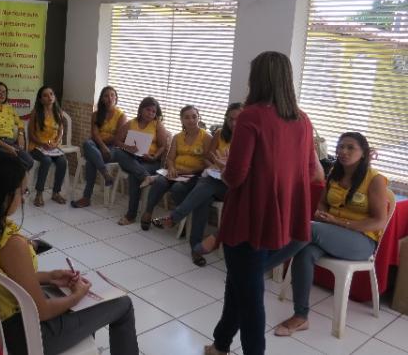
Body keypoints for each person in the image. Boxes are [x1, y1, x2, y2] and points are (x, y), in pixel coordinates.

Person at [0, 151, 139, 355]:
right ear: (5, 196)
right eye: (22, 192)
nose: (23, 200)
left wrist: (49, 277)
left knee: (78, 300)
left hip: (10, 327)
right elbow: (42, 311)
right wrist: (77, 296)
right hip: (33, 336)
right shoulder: (12, 245)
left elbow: (6, 279)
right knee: (123, 304)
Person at [205, 51, 319, 355]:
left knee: (250, 295)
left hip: (247, 217)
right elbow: (311, 171)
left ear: (258, 78)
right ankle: (220, 344)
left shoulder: (251, 115)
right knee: (240, 284)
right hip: (280, 219)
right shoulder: (302, 119)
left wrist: (226, 165)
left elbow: (236, 176)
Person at [274, 132, 389, 337]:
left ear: (363, 153)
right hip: (332, 233)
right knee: (305, 250)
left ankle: (261, 266)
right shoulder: (335, 174)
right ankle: (301, 317)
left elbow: (379, 220)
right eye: (340, 146)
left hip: (361, 242)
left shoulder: (375, 180)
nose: (343, 151)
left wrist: (339, 222)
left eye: (350, 147)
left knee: (308, 228)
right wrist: (321, 212)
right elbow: (323, 203)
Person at [152, 103, 243, 266]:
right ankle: (196, 248)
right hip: (216, 178)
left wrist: (226, 167)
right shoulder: (221, 134)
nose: (234, 123)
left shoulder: (249, 138)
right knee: (204, 197)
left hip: (234, 187)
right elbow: (208, 157)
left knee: (203, 187)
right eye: (230, 119)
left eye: (238, 119)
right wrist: (215, 164)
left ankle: (174, 217)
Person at [140, 105, 211, 233]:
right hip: (176, 172)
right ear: (182, 120)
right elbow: (170, 158)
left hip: (195, 175)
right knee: (160, 182)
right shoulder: (177, 137)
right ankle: (148, 212)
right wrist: (171, 168)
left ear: (198, 117)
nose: (191, 120)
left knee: (177, 188)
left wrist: (191, 171)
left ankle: (180, 220)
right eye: (187, 117)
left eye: (194, 116)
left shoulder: (206, 137)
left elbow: (208, 163)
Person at [113, 97, 168, 226]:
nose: (150, 113)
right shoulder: (131, 123)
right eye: (148, 110)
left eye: (153, 111)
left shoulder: (157, 124)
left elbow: (163, 146)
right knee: (118, 152)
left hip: (150, 161)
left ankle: (130, 216)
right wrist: (128, 148)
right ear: (141, 109)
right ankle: (146, 177)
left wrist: (154, 157)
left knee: (134, 176)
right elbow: (117, 141)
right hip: (132, 158)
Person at [71, 86, 127, 208]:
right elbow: (94, 134)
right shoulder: (96, 114)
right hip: (97, 146)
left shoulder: (121, 116)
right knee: (87, 143)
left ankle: (86, 197)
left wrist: (102, 144)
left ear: (116, 98)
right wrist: (101, 146)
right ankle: (105, 173)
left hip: (112, 148)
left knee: (91, 159)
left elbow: (118, 137)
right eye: (106, 96)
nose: (109, 98)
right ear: (102, 99)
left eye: (112, 95)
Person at [28, 86, 68, 206]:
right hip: (36, 146)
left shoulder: (58, 112)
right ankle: (39, 194)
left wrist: (56, 143)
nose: (49, 97)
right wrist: (42, 144)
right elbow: (31, 134)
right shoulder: (36, 112)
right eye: (45, 95)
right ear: (40, 99)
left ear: (54, 97)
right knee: (46, 161)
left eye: (51, 94)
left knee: (63, 161)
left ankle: (56, 193)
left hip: (52, 147)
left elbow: (61, 130)